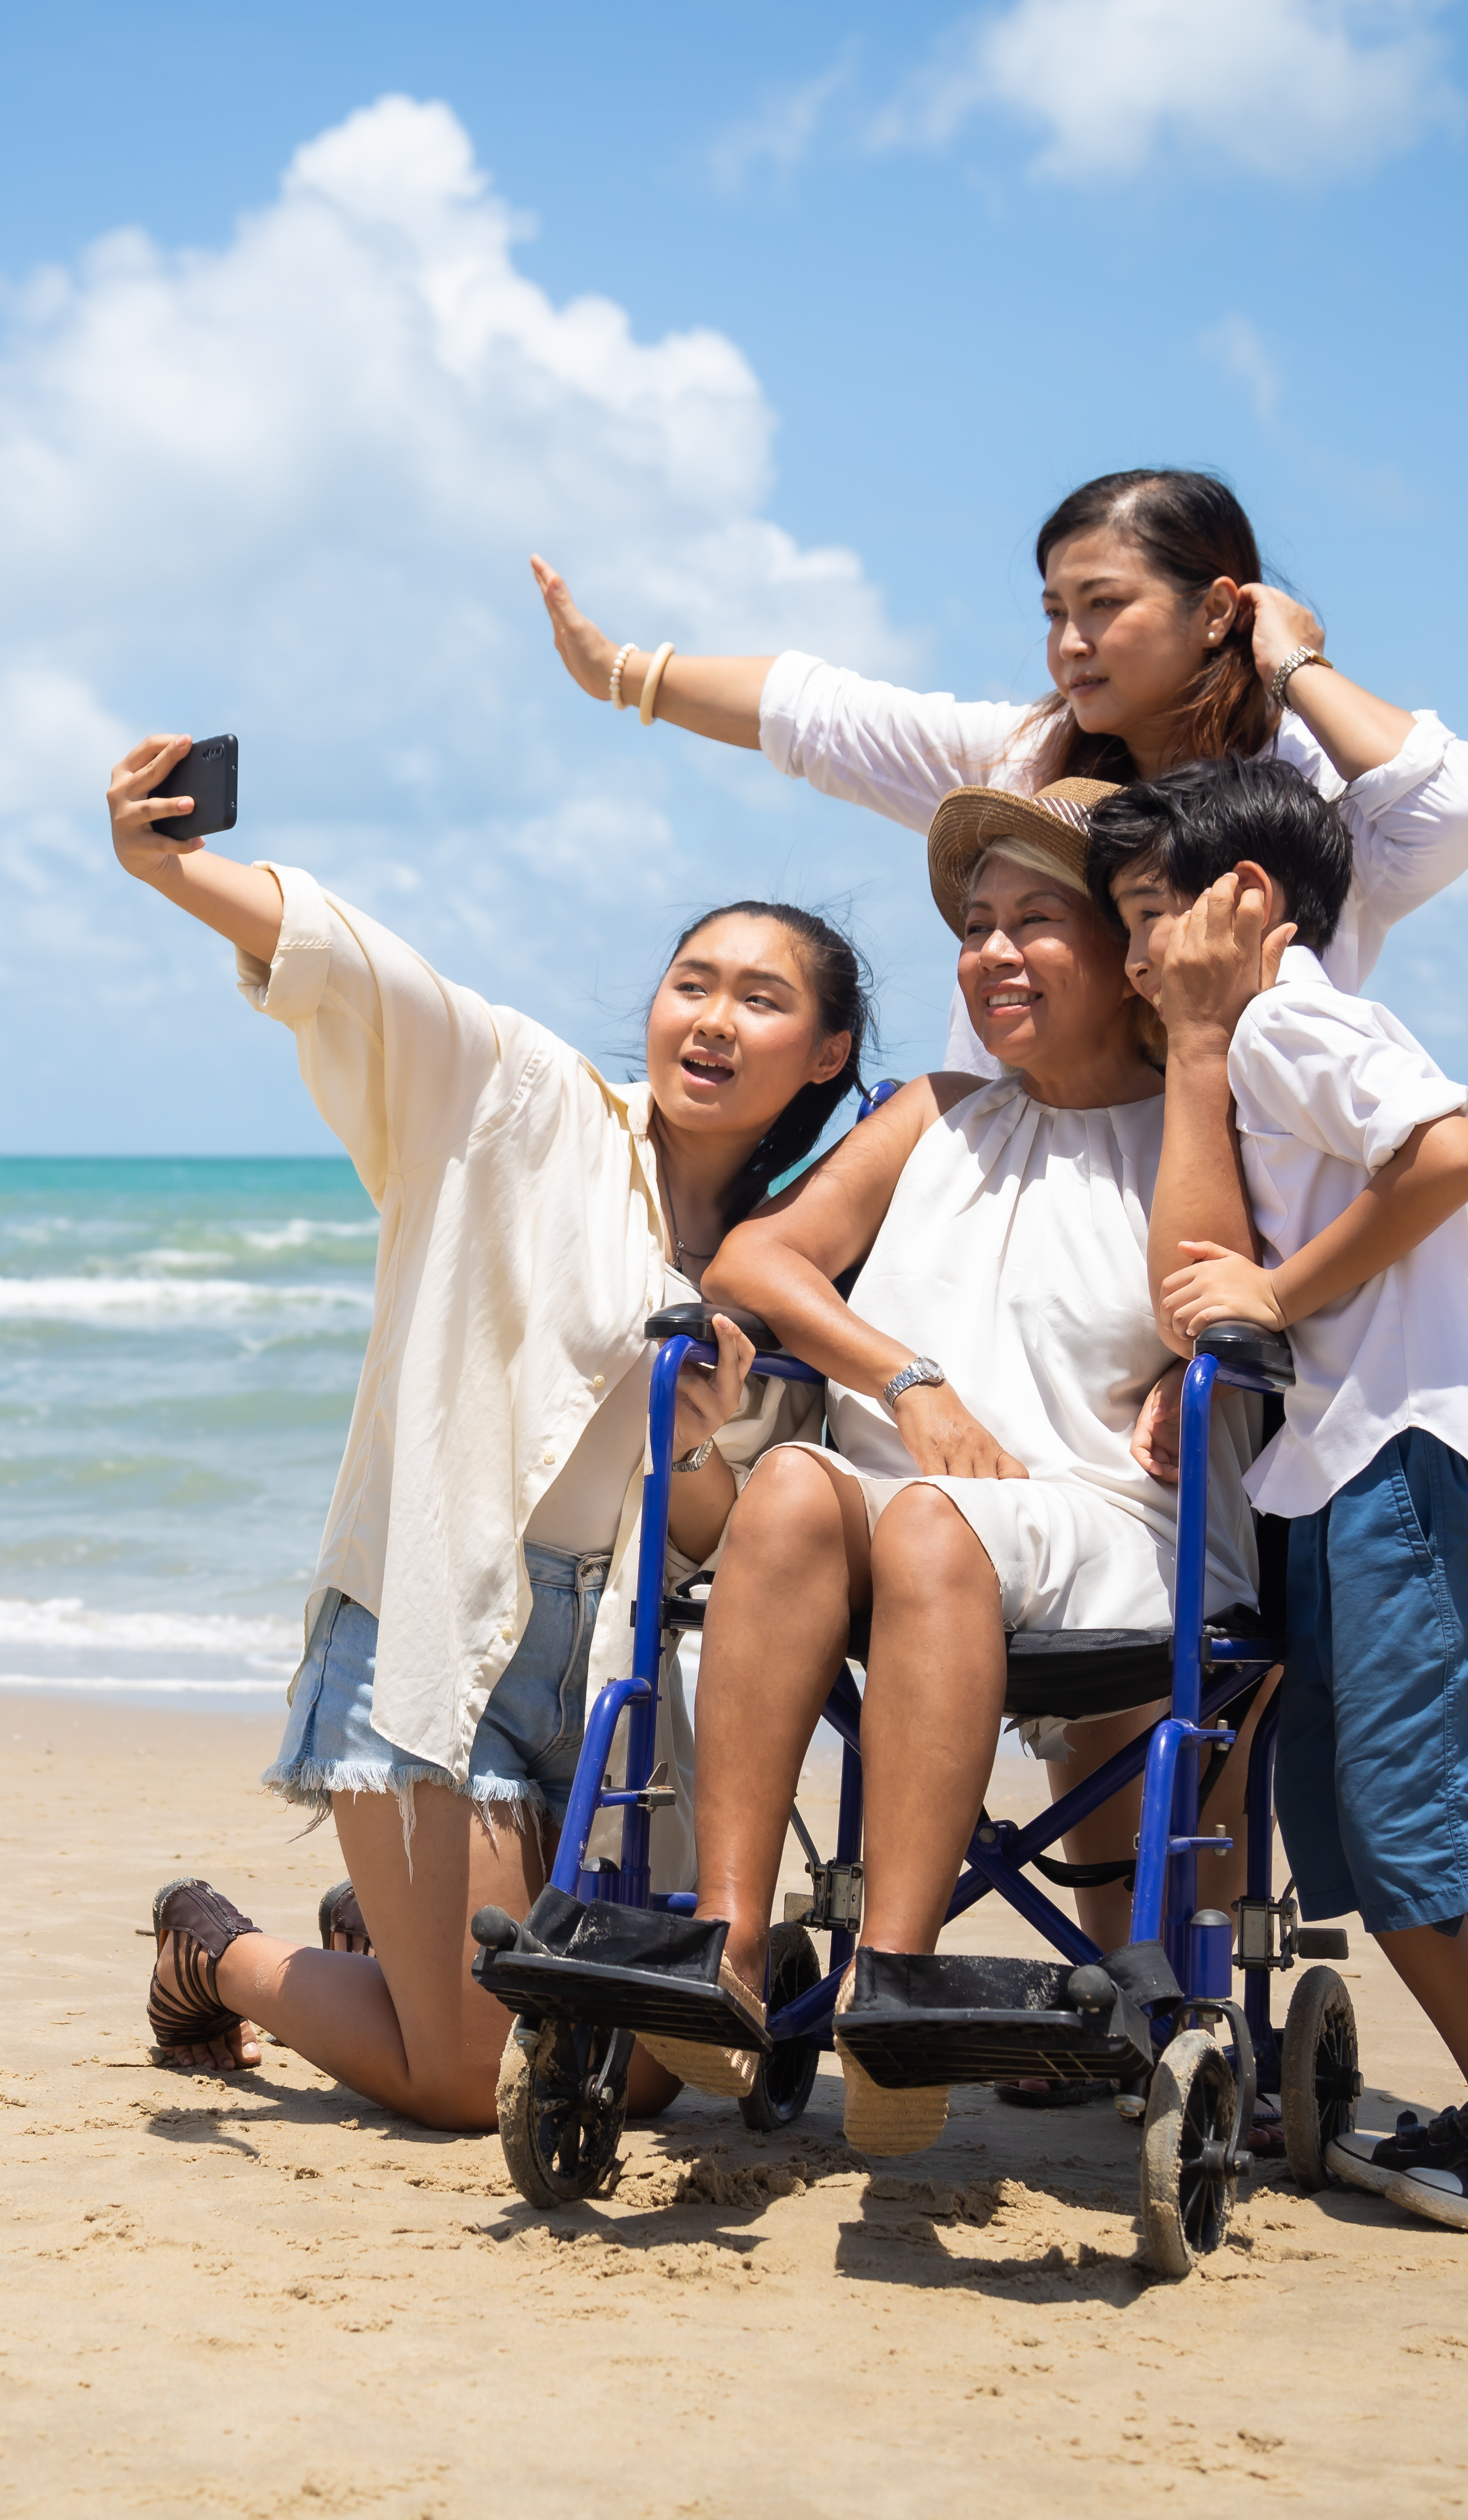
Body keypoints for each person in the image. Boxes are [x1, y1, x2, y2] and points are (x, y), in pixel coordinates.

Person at [104, 731, 873, 2134]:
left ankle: (388, 1933)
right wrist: (179, 869)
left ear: (825, 1055)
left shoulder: (801, 1266)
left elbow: (711, 1538)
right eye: (691, 983)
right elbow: (375, 979)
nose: (712, 1019)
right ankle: (214, 1947)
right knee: (475, 2082)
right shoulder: (527, 1103)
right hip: (435, 1625)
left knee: (642, 2071)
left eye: (761, 1002)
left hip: (616, 1679)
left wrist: (702, 1444)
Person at [1094, 754, 1468, 2235]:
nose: (1132, 954)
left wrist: (1276, 1291)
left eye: (1149, 914)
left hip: (1420, 1452)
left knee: (1442, 1794)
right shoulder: (1251, 1044)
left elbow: (1445, 1154)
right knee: (1362, 1808)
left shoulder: (1298, 1015)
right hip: (1359, 1458)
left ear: (1247, 899)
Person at [672, 779, 1259, 2156]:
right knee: (796, 1486)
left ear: (1130, 950)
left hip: (1111, 1520)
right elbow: (754, 1259)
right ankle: (731, 1951)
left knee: (935, 1521)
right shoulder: (936, 1112)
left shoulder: (1192, 1120)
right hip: (909, 1507)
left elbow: (1213, 1297)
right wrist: (902, 1375)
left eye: (1034, 921)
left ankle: (896, 1980)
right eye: (976, 924)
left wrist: (1196, 1052)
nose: (991, 951)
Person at [530, 466, 1468, 1072]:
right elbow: (820, 712)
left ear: (1216, 611)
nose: (1070, 644)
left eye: (1103, 604)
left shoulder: (1307, 786)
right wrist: (622, 673)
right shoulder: (1031, 759)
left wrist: (1292, 666)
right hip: (1027, 1167)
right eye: (1052, 612)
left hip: (1232, 1210)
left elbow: (1452, 804)